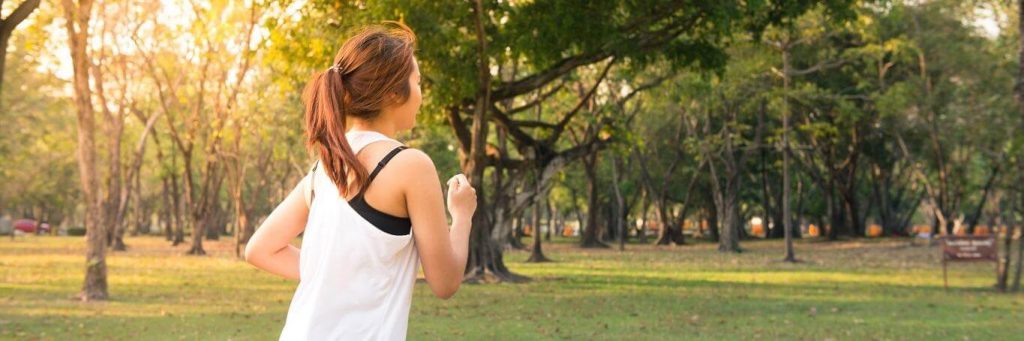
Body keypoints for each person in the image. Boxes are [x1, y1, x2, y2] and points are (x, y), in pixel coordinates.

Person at [244, 22, 477, 340]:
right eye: (418, 82)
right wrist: (462, 215)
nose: (421, 95)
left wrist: (334, 277)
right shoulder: (410, 165)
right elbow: (445, 282)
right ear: (394, 92)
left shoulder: (324, 169)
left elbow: (260, 249)